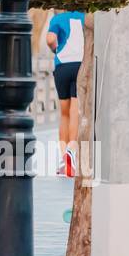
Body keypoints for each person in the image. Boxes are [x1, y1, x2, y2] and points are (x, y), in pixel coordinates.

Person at [45, 9, 86, 177]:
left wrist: (55, 49)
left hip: (62, 66)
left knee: (64, 113)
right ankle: (71, 151)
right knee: (75, 111)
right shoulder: (85, 17)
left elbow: (50, 39)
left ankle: (63, 158)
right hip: (80, 66)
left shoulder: (58, 18)